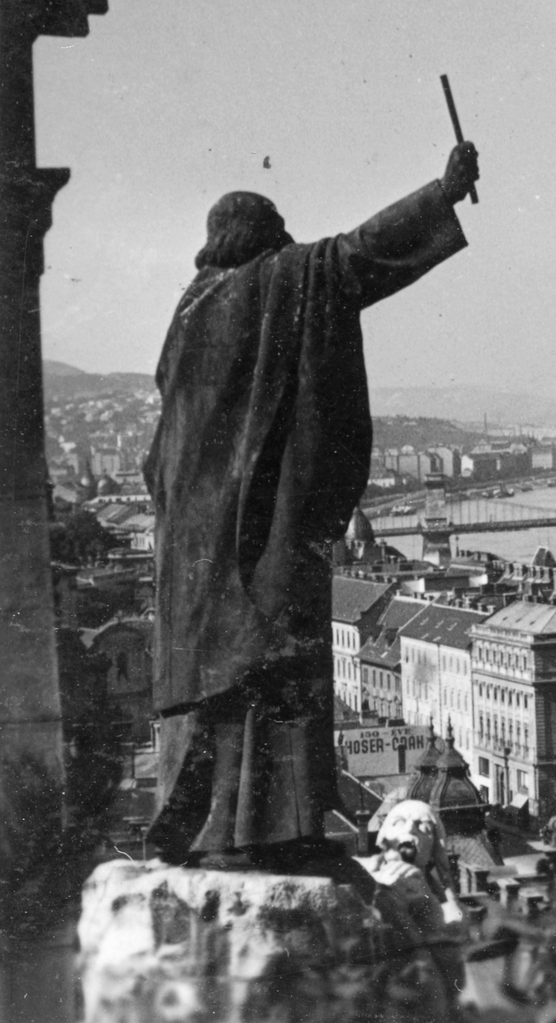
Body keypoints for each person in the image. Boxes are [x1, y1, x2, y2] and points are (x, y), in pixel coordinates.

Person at [143, 142, 479, 870]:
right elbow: (358, 256)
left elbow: (158, 454)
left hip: (194, 561)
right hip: (262, 541)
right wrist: (442, 193)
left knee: (228, 693)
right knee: (277, 677)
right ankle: (278, 834)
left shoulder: (188, 314)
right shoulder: (282, 281)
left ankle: (208, 833)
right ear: (263, 234)